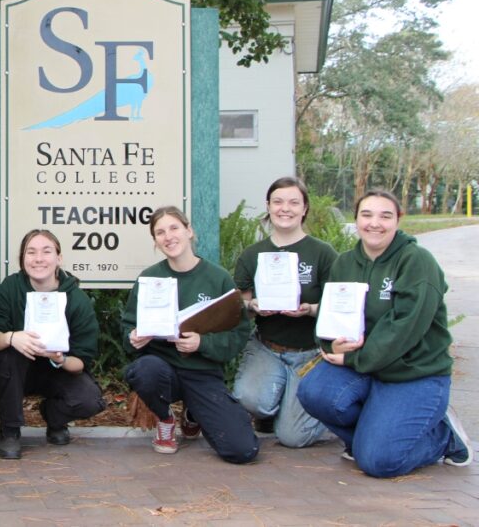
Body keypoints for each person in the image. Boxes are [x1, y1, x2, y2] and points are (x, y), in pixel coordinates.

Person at [296, 189, 473, 477]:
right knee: (314, 392)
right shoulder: (344, 263)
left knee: (380, 463)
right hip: (367, 368)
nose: (374, 223)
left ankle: (443, 437)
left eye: (385, 216)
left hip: (413, 373)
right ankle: (370, 438)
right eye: (367, 215)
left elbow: (404, 328)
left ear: (398, 220)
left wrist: (354, 360)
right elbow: (330, 316)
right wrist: (332, 345)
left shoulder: (416, 261)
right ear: (356, 219)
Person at [121, 206, 258, 464]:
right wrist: (133, 336)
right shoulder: (149, 278)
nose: (168, 236)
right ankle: (165, 418)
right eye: (160, 232)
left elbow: (238, 333)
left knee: (242, 450)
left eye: (174, 228)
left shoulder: (218, 279)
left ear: (189, 231)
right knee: (143, 370)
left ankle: (193, 413)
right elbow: (127, 326)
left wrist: (202, 343)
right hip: (162, 370)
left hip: (202, 373)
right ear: (155, 241)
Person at [231, 177, 336, 447]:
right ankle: (272, 407)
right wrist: (253, 306)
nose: (284, 208)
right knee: (249, 399)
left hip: (311, 353)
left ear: (305, 209)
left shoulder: (322, 254)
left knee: (293, 437)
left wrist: (310, 309)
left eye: (293, 202)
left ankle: (320, 406)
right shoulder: (252, 255)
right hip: (267, 348)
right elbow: (239, 309)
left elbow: (338, 307)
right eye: (277, 202)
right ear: (268, 206)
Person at [0, 229, 105, 459]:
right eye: (31, 252)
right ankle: (9, 430)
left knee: (90, 401)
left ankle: (54, 417)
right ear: (23, 259)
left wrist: (59, 358)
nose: (38, 259)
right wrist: (12, 337)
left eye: (46, 251)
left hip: (57, 370)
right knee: (7, 355)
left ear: (59, 258)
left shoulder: (76, 299)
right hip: (19, 369)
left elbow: (81, 362)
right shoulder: (11, 288)